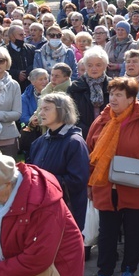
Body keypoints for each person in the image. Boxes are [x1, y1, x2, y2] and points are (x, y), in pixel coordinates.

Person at [86, 77, 139, 276]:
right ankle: (105, 271)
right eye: (111, 94)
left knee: (134, 233)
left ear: (131, 99)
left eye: (119, 95)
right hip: (105, 187)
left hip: (136, 189)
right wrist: (89, 183)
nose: (113, 98)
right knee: (107, 234)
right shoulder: (102, 120)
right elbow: (89, 153)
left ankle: (129, 270)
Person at [0, 155, 85, 276]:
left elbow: (38, 258)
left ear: (7, 184)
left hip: (56, 271)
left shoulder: (41, 203)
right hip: (25, 271)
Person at [28, 92, 90, 228]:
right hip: (41, 210)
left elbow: (77, 180)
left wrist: (43, 181)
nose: (41, 113)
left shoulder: (74, 142)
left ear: (62, 111)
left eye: (46, 109)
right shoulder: (39, 142)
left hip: (66, 212)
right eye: (41, 109)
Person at [68, 47, 111, 138]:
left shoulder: (113, 86)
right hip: (82, 134)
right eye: (90, 65)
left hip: (109, 133)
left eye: (98, 65)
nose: (94, 69)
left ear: (105, 65)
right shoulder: (75, 88)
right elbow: (70, 114)